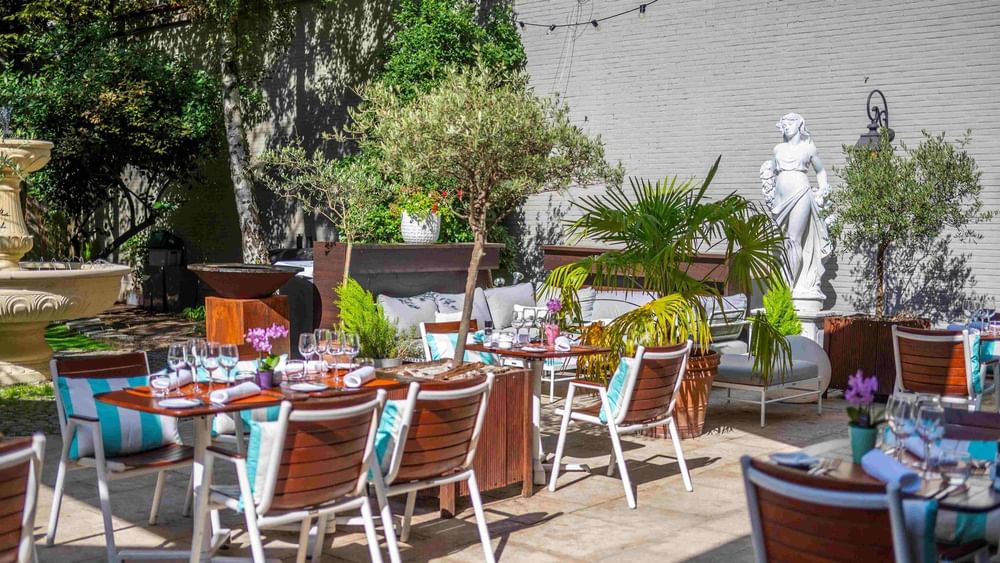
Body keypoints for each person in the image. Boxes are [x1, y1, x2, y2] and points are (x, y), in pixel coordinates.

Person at [760, 113, 832, 306]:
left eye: (790, 123)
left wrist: (822, 190)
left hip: (801, 193)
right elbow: (774, 173)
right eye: (783, 124)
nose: (786, 126)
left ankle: (788, 286)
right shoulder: (778, 149)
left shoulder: (808, 148)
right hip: (780, 198)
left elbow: (821, 171)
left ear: (800, 124)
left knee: (793, 240)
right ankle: (780, 281)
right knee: (778, 241)